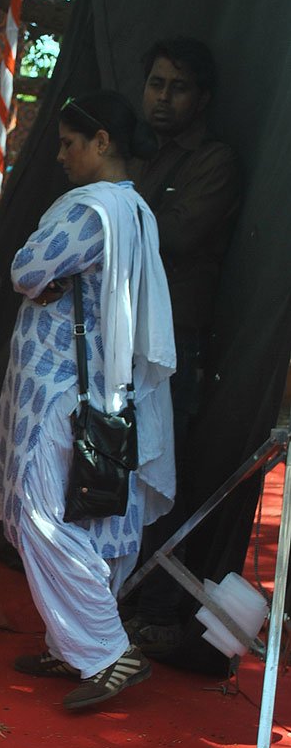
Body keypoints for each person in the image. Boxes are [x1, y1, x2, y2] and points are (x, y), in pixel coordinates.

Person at [0, 91, 175, 712]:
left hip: (61, 386)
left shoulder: (91, 211)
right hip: (100, 387)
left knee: (38, 514)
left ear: (103, 143)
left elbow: (26, 268)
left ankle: (107, 649)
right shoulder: (134, 208)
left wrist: (44, 278)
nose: (61, 154)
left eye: (71, 142)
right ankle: (72, 646)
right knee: (88, 516)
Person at [125, 37, 242, 656]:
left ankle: (159, 612)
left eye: (178, 87)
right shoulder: (139, 157)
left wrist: (118, 213)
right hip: (125, 340)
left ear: (202, 99)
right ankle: (112, 605)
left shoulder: (214, 161)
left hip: (177, 346)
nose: (163, 98)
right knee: (115, 470)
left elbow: (170, 234)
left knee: (163, 477)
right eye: (155, 84)